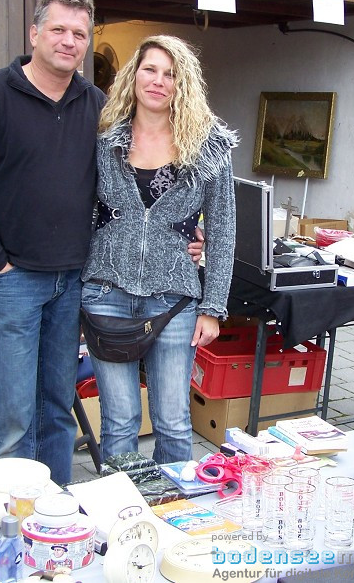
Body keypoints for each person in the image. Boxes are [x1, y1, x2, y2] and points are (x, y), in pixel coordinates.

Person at [0, 0, 104, 486]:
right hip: (13, 278)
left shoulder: (97, 104)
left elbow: (128, 181)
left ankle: (54, 509)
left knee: (57, 405)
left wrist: (183, 231)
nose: (68, 41)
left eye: (79, 34)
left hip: (72, 278)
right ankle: (8, 519)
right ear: (34, 33)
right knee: (13, 414)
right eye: (58, 29)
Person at [81, 35, 237, 464]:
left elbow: (223, 232)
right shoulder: (103, 140)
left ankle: (176, 513)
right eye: (150, 69)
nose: (158, 81)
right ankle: (123, 514)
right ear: (134, 76)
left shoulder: (208, 147)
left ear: (182, 84)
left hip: (174, 301)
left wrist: (213, 307)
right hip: (105, 294)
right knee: (119, 420)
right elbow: (78, 209)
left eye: (170, 74)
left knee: (172, 420)